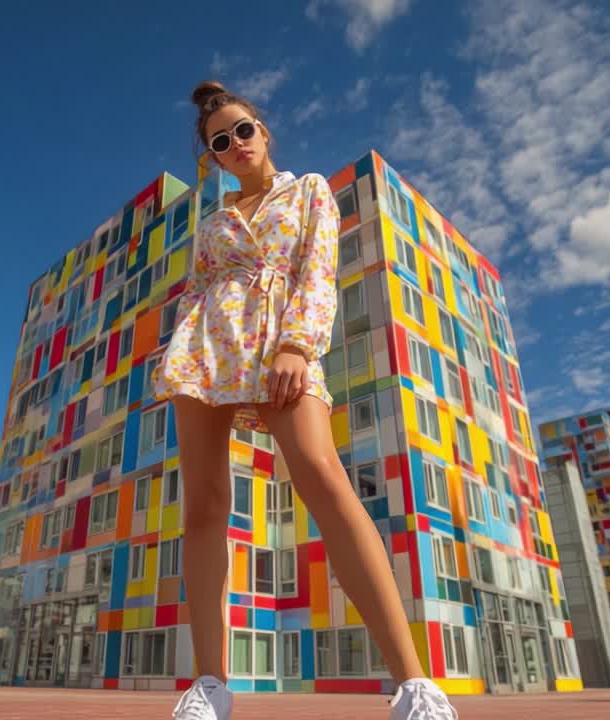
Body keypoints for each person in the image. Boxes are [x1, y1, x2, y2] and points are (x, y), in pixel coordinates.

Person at [151, 81, 458, 720]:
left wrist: (296, 343)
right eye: (218, 142)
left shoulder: (309, 189)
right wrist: (178, 354)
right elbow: (197, 288)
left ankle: (414, 684)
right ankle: (210, 686)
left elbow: (319, 269)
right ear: (210, 159)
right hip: (208, 347)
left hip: (279, 337)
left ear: (263, 132)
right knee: (205, 504)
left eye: (242, 131)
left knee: (320, 473)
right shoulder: (213, 223)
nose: (234, 145)